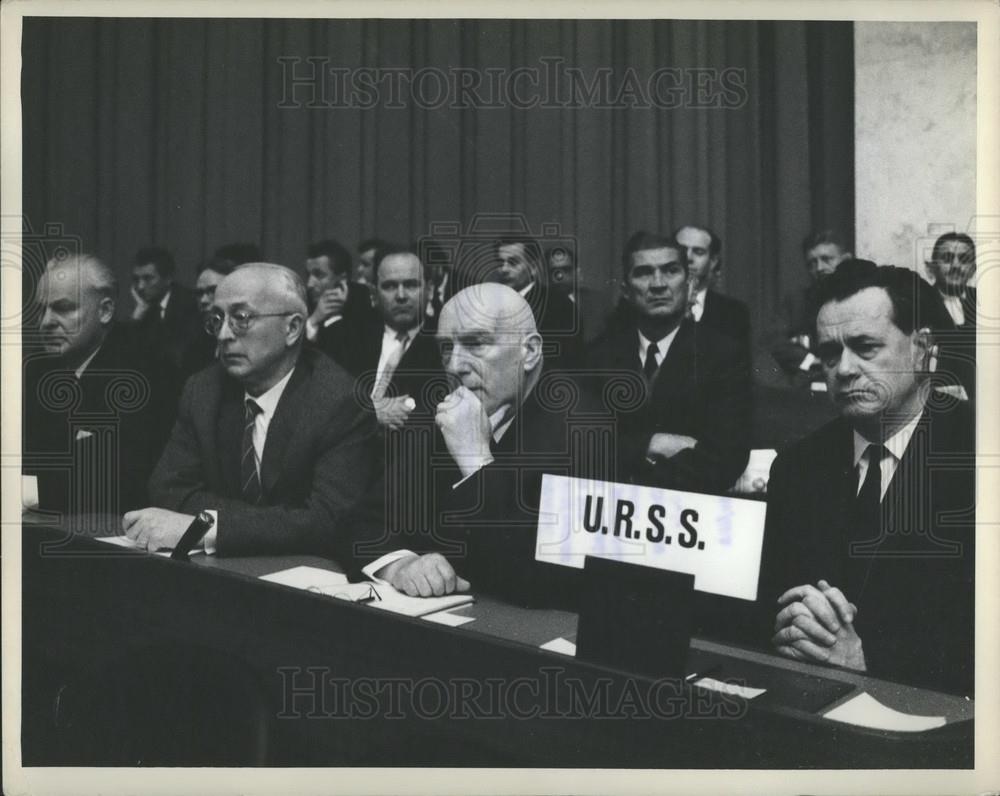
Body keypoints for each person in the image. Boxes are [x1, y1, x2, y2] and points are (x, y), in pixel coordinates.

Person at [759, 259, 973, 695]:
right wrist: (786, 629)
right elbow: (770, 607)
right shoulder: (798, 467)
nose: (843, 369)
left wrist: (867, 659)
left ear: (923, 348)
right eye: (830, 353)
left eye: (865, 347)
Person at [361, 284, 613, 607]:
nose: (454, 365)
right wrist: (399, 565)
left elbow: (549, 580)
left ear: (530, 351)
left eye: (476, 343)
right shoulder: (443, 409)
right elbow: (366, 518)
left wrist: (475, 460)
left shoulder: (585, 427)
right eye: (446, 348)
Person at [126, 263, 381, 563]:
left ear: (293, 328)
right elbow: (166, 489)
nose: (223, 335)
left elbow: (328, 522)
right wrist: (274, 522)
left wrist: (210, 527)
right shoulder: (204, 389)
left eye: (241, 319)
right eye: (217, 319)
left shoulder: (339, 401)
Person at [587, 231, 751, 494]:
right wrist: (654, 443)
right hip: (612, 514)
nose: (658, 284)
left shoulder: (723, 355)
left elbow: (726, 457)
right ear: (626, 290)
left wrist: (633, 465)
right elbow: (584, 449)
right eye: (643, 273)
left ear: (689, 284)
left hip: (693, 514)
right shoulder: (597, 358)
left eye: (670, 271)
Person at [23, 254, 177, 517]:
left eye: (63, 308)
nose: (46, 322)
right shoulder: (37, 368)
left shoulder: (145, 370)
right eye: (41, 310)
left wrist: (27, 490)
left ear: (105, 311)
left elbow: (122, 479)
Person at [335, 246, 448, 429]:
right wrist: (372, 412)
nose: (401, 296)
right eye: (390, 286)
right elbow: (326, 405)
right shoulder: (346, 337)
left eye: (411, 285)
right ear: (374, 294)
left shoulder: (444, 343)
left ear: (430, 289)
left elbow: (432, 417)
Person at [766, 230, 852, 387]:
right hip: (809, 383)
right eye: (812, 263)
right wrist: (811, 361)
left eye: (827, 259)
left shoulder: (864, 298)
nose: (819, 268)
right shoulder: (797, 301)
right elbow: (774, 340)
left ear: (846, 260)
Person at [495, 236, 580, 368]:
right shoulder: (489, 302)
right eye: (500, 263)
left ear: (533, 267)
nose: (504, 269)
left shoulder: (558, 305)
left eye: (513, 263)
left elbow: (563, 362)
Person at [303, 238, 378, 369]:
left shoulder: (363, 303)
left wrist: (333, 317)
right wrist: (313, 321)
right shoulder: (303, 302)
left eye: (318, 275)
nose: (309, 284)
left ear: (341, 279)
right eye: (308, 275)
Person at [673, 224, 751, 347]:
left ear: (713, 261)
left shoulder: (735, 312)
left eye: (698, 252)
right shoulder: (652, 304)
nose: (688, 257)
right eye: (681, 249)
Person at [130, 245, 201, 370]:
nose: (140, 286)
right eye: (136, 279)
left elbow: (178, 359)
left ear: (168, 278)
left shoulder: (190, 304)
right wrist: (136, 317)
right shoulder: (145, 309)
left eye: (148, 278)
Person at [925, 232, 976, 401]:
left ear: (973, 269)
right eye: (947, 258)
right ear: (932, 267)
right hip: (940, 403)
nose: (956, 265)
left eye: (964, 259)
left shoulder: (989, 303)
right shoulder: (917, 305)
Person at [181, 256, 236, 375]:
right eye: (199, 293)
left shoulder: (246, 338)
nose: (203, 300)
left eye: (212, 291)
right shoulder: (194, 344)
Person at [545, 245, 607, 344]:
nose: (560, 276)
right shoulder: (541, 307)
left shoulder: (598, 303)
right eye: (554, 271)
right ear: (546, 275)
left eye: (566, 270)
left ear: (577, 272)